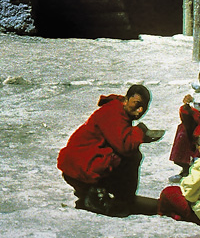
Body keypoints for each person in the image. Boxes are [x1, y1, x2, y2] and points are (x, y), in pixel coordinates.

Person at [57, 84, 159, 216]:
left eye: (144, 108)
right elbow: (125, 147)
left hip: (81, 164)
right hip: (79, 167)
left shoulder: (120, 110)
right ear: (126, 100)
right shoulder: (113, 112)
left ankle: (100, 192)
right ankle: (106, 195)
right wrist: (139, 130)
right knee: (132, 156)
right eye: (137, 104)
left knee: (128, 155)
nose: (140, 111)